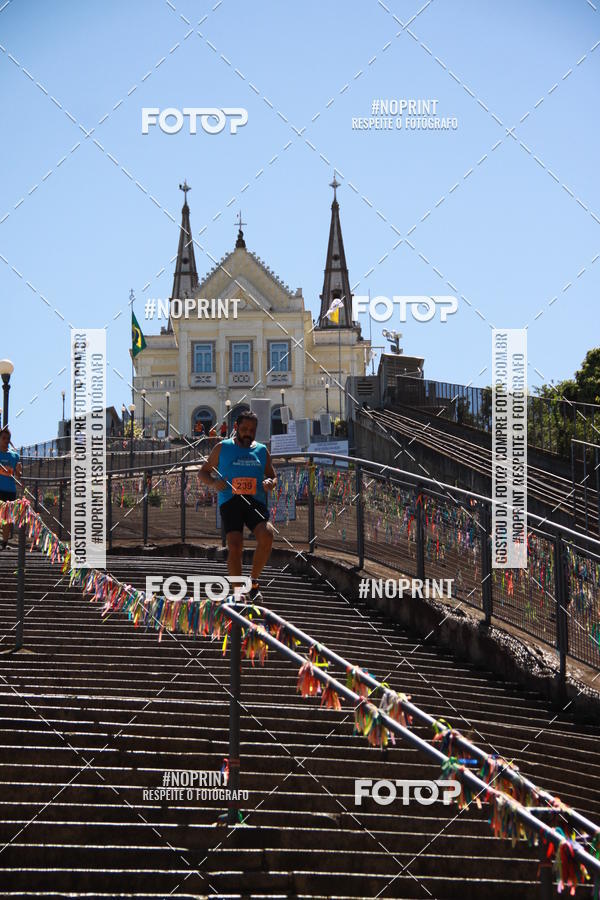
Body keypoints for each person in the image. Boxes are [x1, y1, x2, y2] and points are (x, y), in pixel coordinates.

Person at [199, 411, 277, 601]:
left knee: (267, 535)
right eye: (244, 429)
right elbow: (203, 473)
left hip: (254, 501)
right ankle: (237, 591)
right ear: (235, 428)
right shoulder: (222, 447)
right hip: (231, 501)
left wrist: (270, 483)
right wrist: (214, 483)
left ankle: (254, 582)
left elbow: (272, 475)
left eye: (252, 430)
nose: (248, 433)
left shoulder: (261, 450)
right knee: (235, 544)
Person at [0, 427, 22, 549]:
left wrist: (19, 472)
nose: (6, 441)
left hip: (9, 490)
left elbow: (19, 475)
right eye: (3, 438)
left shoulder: (14, 456)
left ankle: (4, 542)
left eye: (8, 439)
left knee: (7, 518)